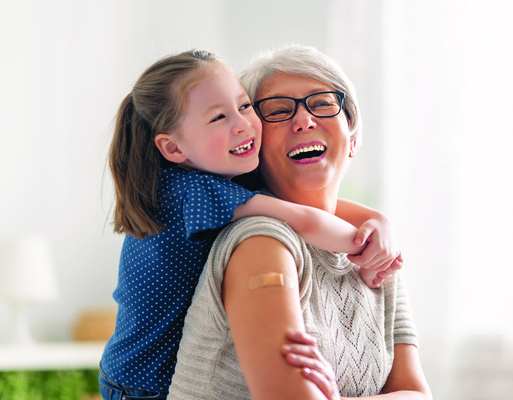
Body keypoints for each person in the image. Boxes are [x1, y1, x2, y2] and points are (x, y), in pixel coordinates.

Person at [99, 49, 403, 400]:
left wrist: (377, 221)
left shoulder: (214, 181)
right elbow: (301, 216)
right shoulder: (196, 193)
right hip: (140, 382)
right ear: (173, 147)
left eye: (244, 107)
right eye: (218, 118)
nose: (242, 123)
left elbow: (306, 208)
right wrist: (364, 246)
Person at [168, 45, 432, 399]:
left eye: (322, 103)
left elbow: (417, 393)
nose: (304, 120)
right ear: (252, 146)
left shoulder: (377, 255)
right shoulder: (262, 242)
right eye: (277, 112)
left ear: (352, 138)